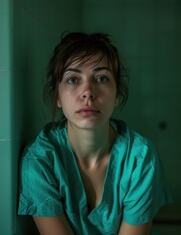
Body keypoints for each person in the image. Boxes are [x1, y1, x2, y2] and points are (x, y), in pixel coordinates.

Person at [18, 32, 172, 235]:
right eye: (73, 79)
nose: (88, 91)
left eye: (101, 78)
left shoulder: (139, 158)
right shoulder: (39, 160)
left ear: (116, 94)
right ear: (57, 96)